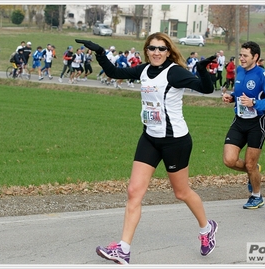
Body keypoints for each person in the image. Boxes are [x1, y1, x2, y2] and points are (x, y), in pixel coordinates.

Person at [76, 32, 218, 265]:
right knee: (134, 191)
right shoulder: (143, 70)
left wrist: (202, 69)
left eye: (162, 49)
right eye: (152, 48)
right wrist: (100, 53)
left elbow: (206, 89)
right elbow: (114, 73)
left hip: (175, 141)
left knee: (181, 192)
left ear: (169, 51)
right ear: (146, 50)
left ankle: (206, 228)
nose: (156, 53)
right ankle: (123, 248)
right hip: (150, 138)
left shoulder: (174, 72)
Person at [222, 41, 265, 209]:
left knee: (250, 164)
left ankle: (256, 196)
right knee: (229, 160)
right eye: (240, 55)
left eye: (245, 56)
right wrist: (231, 97)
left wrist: (254, 102)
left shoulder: (262, 75)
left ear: (256, 57)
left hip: (257, 123)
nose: (242, 58)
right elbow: (240, 93)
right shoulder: (239, 71)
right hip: (239, 121)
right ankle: (253, 170)